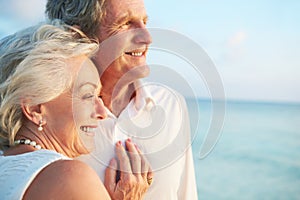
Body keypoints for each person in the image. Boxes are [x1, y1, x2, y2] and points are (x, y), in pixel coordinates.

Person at [46, 0, 198, 199]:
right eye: (126, 23)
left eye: (144, 22)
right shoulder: (49, 117)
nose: (147, 37)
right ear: (79, 37)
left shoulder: (171, 104)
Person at [0, 22, 151, 200]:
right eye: (87, 96)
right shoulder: (69, 177)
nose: (102, 112)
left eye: (99, 96)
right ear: (34, 109)